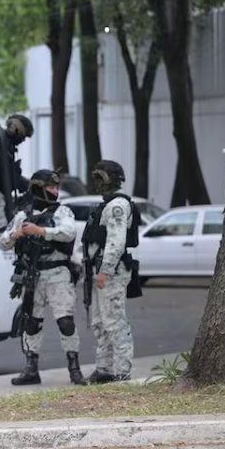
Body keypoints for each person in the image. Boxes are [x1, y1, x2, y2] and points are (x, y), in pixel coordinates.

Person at [0, 169, 83, 385]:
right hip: (32, 276)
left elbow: (69, 232)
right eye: (50, 187)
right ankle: (31, 369)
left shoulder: (62, 211)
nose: (55, 191)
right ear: (38, 188)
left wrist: (41, 231)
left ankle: (74, 369)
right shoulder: (22, 215)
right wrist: (16, 234)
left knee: (65, 322)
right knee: (31, 323)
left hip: (58, 274)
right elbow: (3, 242)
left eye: (56, 187)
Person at [81, 160, 139, 384]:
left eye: (100, 178)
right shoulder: (105, 205)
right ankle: (103, 368)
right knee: (99, 322)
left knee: (114, 321)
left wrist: (105, 270)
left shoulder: (117, 206)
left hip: (111, 273)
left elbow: (116, 241)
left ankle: (122, 370)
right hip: (99, 271)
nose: (97, 183)